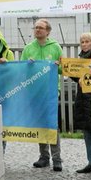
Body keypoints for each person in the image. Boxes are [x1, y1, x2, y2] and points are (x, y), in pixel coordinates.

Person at [22, 18, 63, 172]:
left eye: (41, 27)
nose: (37, 30)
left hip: (51, 92)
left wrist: (59, 66)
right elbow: (22, 71)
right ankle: (43, 157)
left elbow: (63, 69)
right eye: (36, 27)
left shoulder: (56, 47)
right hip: (35, 92)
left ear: (48, 31)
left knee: (52, 125)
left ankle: (57, 159)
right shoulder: (28, 48)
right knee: (40, 125)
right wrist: (28, 65)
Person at [73, 33, 91, 175]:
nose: (84, 44)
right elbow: (75, 76)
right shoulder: (80, 59)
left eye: (87, 42)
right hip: (82, 97)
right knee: (86, 131)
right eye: (82, 42)